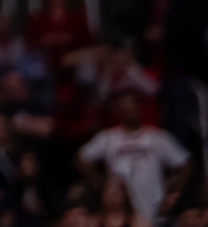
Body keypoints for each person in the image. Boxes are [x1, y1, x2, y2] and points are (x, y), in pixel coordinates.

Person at [77, 89, 190, 223]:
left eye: (132, 104)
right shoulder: (108, 138)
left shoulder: (157, 137)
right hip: (123, 217)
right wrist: (103, 182)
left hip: (156, 212)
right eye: (124, 105)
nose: (129, 108)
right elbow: (80, 159)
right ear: (119, 109)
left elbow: (186, 165)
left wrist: (173, 191)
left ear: (139, 107)